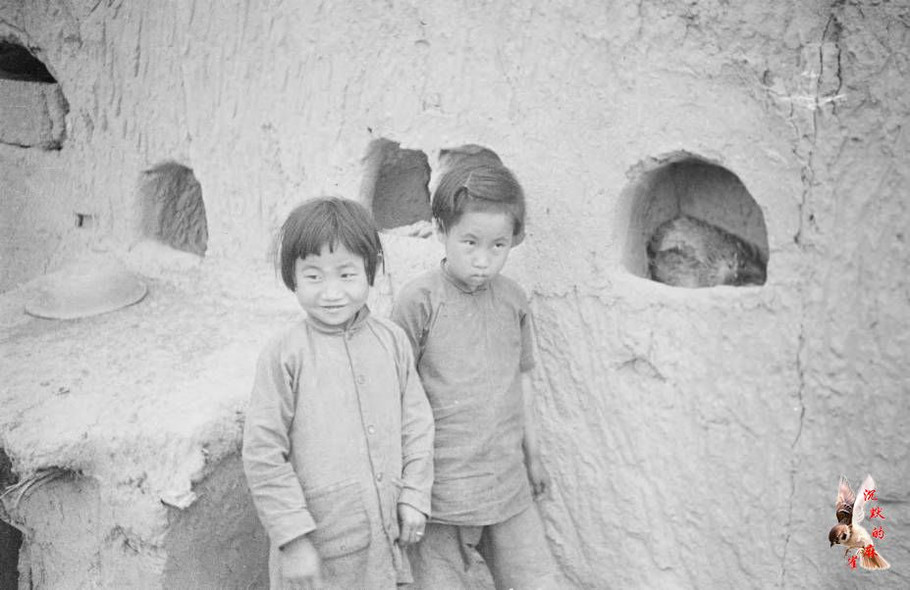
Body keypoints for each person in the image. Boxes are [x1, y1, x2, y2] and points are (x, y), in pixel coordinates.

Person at [243, 196, 434, 589]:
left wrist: (415, 494)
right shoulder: (284, 354)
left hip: (385, 542)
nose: (331, 293)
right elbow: (263, 452)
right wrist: (294, 540)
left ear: (369, 271)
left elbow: (417, 424)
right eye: (314, 277)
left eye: (346, 275)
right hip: (316, 554)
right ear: (292, 277)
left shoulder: (392, 341)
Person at [391, 163, 559, 589]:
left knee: (535, 579)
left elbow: (522, 381)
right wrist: (407, 487)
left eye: (498, 245)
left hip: (507, 484)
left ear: (514, 240)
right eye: (470, 242)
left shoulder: (513, 301)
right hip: (442, 493)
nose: (483, 260)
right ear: (440, 230)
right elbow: (396, 392)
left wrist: (533, 456)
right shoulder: (419, 301)